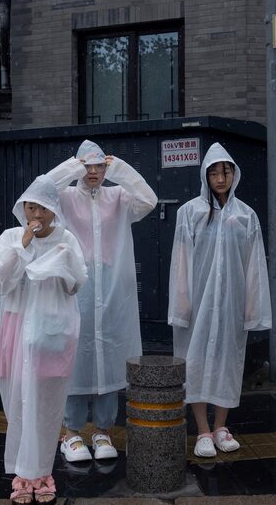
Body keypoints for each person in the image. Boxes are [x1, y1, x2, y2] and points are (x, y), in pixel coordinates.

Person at [46, 140, 156, 463]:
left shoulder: (118, 197)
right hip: (77, 284)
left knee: (109, 354)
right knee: (75, 353)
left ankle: (103, 430)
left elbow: (148, 200)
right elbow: (41, 191)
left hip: (110, 285)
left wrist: (119, 168)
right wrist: (71, 167)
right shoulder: (66, 198)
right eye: (87, 166)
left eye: (99, 166)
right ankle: (71, 432)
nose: (93, 172)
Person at [0, 175, 87, 505]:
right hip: (16, 329)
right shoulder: (10, 237)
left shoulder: (67, 239)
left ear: (54, 209)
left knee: (46, 403)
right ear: (22, 208)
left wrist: (64, 263)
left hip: (51, 331)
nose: (37, 214)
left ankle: (42, 472)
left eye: (43, 207)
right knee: (19, 403)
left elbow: (76, 284)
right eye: (31, 207)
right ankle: (22, 474)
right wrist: (23, 245)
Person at [168, 143, 271, 457]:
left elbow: (254, 264)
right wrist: (181, 302)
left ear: (234, 174)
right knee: (196, 362)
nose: (221, 178)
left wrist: (252, 304)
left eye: (225, 172)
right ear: (205, 176)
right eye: (214, 173)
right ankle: (202, 429)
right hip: (198, 303)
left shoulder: (245, 216)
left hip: (231, 303)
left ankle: (221, 427)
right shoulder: (190, 212)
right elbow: (181, 261)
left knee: (228, 363)